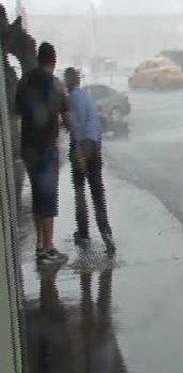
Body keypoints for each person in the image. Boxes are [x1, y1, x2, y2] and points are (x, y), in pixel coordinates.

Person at [16, 42, 70, 265]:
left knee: (38, 196)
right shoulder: (55, 85)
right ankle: (48, 248)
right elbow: (67, 117)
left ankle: (40, 246)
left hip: (28, 147)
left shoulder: (24, 81)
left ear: (39, 59)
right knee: (48, 199)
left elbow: (17, 110)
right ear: (54, 60)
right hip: (46, 148)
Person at [63, 67, 116, 255]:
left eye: (65, 79)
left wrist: (79, 153)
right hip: (94, 145)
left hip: (82, 147)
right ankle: (106, 234)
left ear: (69, 81)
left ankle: (84, 233)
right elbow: (95, 122)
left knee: (80, 193)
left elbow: (77, 127)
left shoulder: (73, 98)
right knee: (97, 192)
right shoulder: (86, 96)